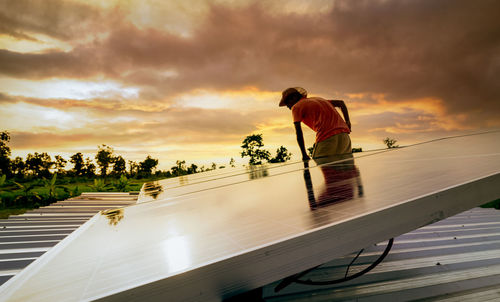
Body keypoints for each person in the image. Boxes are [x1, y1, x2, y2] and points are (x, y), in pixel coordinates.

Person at [279, 87, 352, 160]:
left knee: (321, 163)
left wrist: (304, 154)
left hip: (326, 138)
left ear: (293, 98)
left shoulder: (296, 107)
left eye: (287, 103)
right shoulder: (319, 99)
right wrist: (347, 122)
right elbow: (341, 103)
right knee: (347, 168)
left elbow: (298, 132)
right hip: (345, 136)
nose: (287, 107)